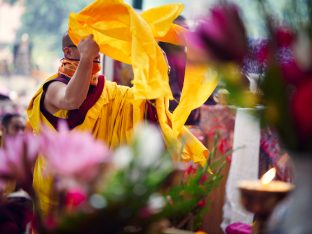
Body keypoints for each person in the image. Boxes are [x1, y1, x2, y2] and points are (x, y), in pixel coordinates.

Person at [27, 33, 208, 214]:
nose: (97, 52)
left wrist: (156, 69)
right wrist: (87, 59)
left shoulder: (108, 91)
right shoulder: (52, 87)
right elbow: (72, 100)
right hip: (57, 192)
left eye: (98, 48)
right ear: (68, 51)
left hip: (96, 191)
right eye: (88, 47)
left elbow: (141, 103)